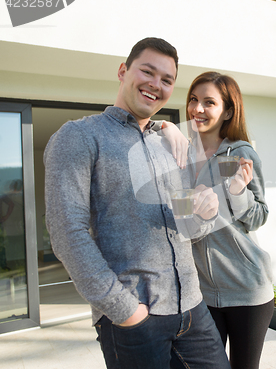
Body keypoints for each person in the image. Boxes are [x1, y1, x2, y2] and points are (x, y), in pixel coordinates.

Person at [44, 38, 230, 369]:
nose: (155, 85)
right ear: (123, 71)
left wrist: (207, 213)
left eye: (167, 80)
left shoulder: (169, 143)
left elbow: (189, 226)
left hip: (193, 309)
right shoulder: (79, 137)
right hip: (134, 319)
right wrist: (124, 310)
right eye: (147, 71)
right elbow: (66, 231)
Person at [186, 71, 274, 369]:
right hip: (202, 292)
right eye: (193, 100)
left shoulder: (240, 153)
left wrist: (237, 192)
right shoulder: (183, 155)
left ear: (228, 111)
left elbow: (259, 216)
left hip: (246, 288)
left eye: (209, 102)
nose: (197, 109)